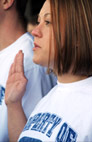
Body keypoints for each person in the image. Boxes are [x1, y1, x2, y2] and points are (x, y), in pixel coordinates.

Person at [5, 0, 92, 141]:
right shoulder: (48, 99)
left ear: (78, 32)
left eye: (48, 22)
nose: (35, 31)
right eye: (38, 21)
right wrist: (13, 104)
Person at [0, 0, 56, 141]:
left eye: (47, 22)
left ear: (6, 2)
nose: (36, 30)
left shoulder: (30, 60)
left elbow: (31, 137)